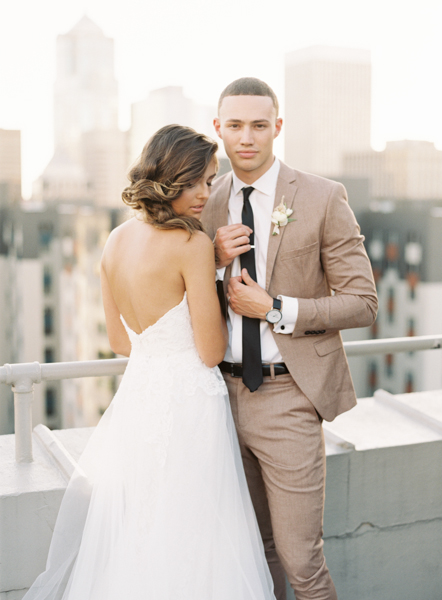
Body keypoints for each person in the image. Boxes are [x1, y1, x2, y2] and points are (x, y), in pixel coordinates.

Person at [23, 125, 276, 598]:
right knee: (196, 536)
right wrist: (221, 281)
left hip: (139, 402)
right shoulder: (193, 245)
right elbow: (210, 351)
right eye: (198, 181)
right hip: (190, 406)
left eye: (211, 180)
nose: (206, 193)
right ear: (171, 178)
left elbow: (120, 340)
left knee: (139, 533)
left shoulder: (114, 241)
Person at [201, 78, 377, 600]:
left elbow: (364, 303)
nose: (246, 137)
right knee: (251, 554)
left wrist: (275, 308)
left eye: (259, 124)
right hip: (215, 400)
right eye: (234, 125)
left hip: (289, 397)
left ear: (277, 127)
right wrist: (212, 262)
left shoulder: (323, 197)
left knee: (302, 562)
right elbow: (177, 297)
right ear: (218, 129)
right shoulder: (203, 205)